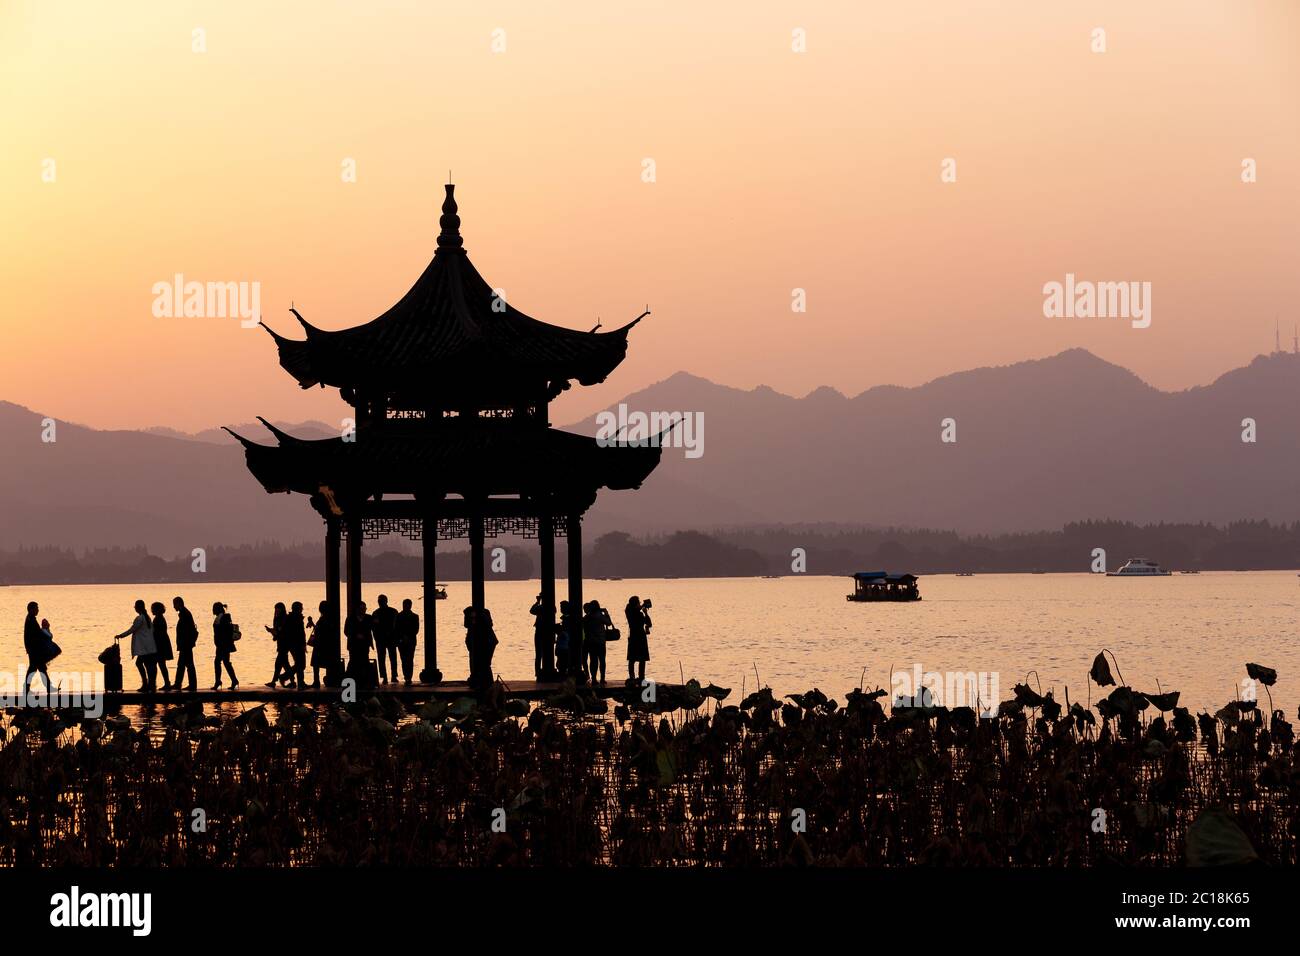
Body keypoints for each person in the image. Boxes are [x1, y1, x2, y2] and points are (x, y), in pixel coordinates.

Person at [116, 599, 157, 692]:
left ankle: (146, 684)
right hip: (149, 647)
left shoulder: (140, 618)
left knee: (140, 664)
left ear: (138, 608)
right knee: (147, 665)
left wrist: (121, 636)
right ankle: (150, 684)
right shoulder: (147, 617)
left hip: (145, 648)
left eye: (135, 606)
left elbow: (132, 629)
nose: (134, 608)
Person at [22, 601, 52, 697]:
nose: (38, 610)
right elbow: (35, 634)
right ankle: (26, 689)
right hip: (33, 649)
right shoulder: (30, 620)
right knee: (37, 668)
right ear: (31, 609)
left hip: (33, 648)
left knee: (38, 668)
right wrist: (46, 631)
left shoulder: (31, 619)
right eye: (36, 608)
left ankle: (47, 687)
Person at [309, 600, 340, 688]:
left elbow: (321, 630)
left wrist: (314, 625)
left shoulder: (324, 618)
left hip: (321, 644)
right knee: (325, 663)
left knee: (316, 663)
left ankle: (317, 681)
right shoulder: (329, 618)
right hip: (326, 644)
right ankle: (328, 680)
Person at [172, 596, 198, 692]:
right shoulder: (184, 613)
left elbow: (186, 631)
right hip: (186, 644)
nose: (173, 606)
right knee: (182, 664)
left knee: (188, 664)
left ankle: (191, 685)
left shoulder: (184, 614)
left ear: (179, 604)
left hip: (186, 644)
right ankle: (178, 683)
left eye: (174, 604)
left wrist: (183, 643)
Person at [372, 594, 399, 683]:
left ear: (386, 601)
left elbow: (397, 626)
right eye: (379, 602)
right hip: (382, 639)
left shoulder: (392, 612)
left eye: (381, 601)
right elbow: (374, 628)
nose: (380, 603)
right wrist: (376, 639)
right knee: (384, 659)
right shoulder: (392, 611)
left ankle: (391, 676)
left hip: (388, 639)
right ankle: (386, 677)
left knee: (391, 658)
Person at [212, 601, 238, 689]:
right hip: (220, 645)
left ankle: (219, 682)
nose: (212, 610)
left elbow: (224, 632)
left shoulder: (223, 618)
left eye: (214, 608)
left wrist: (220, 643)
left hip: (223, 645)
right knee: (225, 663)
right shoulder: (220, 617)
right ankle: (233, 681)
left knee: (219, 662)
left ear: (217, 609)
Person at [625, 596, 651, 683]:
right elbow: (634, 610)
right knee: (634, 658)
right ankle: (636, 677)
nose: (640, 604)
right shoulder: (630, 611)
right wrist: (643, 608)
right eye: (638, 603)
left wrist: (645, 613)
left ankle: (638, 677)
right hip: (637, 636)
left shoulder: (636, 613)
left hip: (636, 636)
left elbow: (649, 624)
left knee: (638, 658)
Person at [345, 601, 373, 682]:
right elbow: (346, 631)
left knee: (365, 662)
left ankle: (364, 681)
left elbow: (374, 627)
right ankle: (350, 680)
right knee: (353, 662)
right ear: (357, 609)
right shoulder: (350, 618)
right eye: (362, 608)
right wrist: (355, 635)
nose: (364, 610)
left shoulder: (368, 618)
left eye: (365, 608)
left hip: (365, 644)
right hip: (353, 645)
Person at [530, 594, 556, 680]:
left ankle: (538, 672)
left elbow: (532, 610)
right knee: (544, 653)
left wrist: (537, 602)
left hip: (541, 632)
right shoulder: (551, 607)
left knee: (539, 654)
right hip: (546, 632)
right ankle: (540, 671)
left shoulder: (541, 608)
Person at [150, 601, 175, 691]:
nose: (151, 610)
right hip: (162, 643)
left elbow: (157, 633)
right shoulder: (159, 618)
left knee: (159, 664)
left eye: (153, 609)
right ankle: (165, 683)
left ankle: (158, 683)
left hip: (160, 644)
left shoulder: (158, 619)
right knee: (161, 664)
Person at [284, 601, 308, 688]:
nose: (302, 609)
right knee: (300, 664)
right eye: (301, 608)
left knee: (300, 664)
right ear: (298, 609)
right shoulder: (295, 618)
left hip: (295, 644)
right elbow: (300, 633)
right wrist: (303, 644)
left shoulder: (292, 617)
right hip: (296, 644)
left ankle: (300, 682)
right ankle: (286, 677)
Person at [395, 598, 419, 685]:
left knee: (409, 659)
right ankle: (407, 676)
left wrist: (406, 636)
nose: (406, 607)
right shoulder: (398, 616)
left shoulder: (415, 616)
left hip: (410, 640)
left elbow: (416, 630)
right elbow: (396, 629)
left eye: (407, 605)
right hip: (402, 641)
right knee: (404, 659)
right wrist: (402, 637)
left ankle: (408, 677)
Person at [583, 600, 608, 685]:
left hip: (591, 642)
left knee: (593, 661)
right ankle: (602, 678)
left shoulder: (587, 617)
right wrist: (606, 614)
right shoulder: (600, 616)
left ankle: (593, 679)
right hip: (600, 641)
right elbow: (608, 623)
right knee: (602, 660)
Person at [265, 602, 289, 687]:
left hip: (284, 643)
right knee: (284, 663)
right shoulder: (277, 618)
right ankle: (292, 680)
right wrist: (271, 631)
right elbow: (277, 632)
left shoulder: (284, 618)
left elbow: (281, 631)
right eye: (276, 609)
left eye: (278, 608)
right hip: (280, 643)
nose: (277, 610)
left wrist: (272, 631)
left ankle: (273, 681)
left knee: (278, 663)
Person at [560, 600, 583, 681]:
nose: (561, 609)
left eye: (562, 607)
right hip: (564, 644)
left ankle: (567, 676)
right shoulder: (566, 618)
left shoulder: (568, 619)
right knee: (563, 662)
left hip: (566, 644)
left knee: (565, 662)